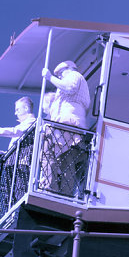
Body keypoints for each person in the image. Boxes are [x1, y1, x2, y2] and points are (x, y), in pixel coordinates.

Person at [39, 61, 91, 196]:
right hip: (66, 124)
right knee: (65, 159)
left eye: (61, 73)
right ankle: (61, 191)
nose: (60, 77)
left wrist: (50, 77)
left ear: (70, 68)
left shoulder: (75, 76)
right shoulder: (71, 79)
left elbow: (69, 88)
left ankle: (50, 186)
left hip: (68, 123)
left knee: (50, 151)